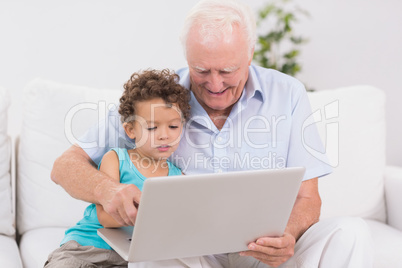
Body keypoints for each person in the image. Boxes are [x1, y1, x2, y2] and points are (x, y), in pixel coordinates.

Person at [51, 0, 373, 267]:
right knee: (152, 251)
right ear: (187, 59)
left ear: (250, 54)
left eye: (228, 71)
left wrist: (285, 235)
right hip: (191, 255)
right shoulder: (159, 99)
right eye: (201, 70)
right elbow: (65, 165)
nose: (215, 85)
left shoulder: (288, 94)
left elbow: (308, 198)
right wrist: (107, 191)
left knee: (351, 232)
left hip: (261, 251)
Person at [45, 69, 192, 267]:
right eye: (151, 128)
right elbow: (106, 217)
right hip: (89, 248)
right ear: (131, 130)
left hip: (132, 257)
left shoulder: (178, 176)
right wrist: (153, 217)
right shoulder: (116, 158)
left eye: (173, 127)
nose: (164, 135)